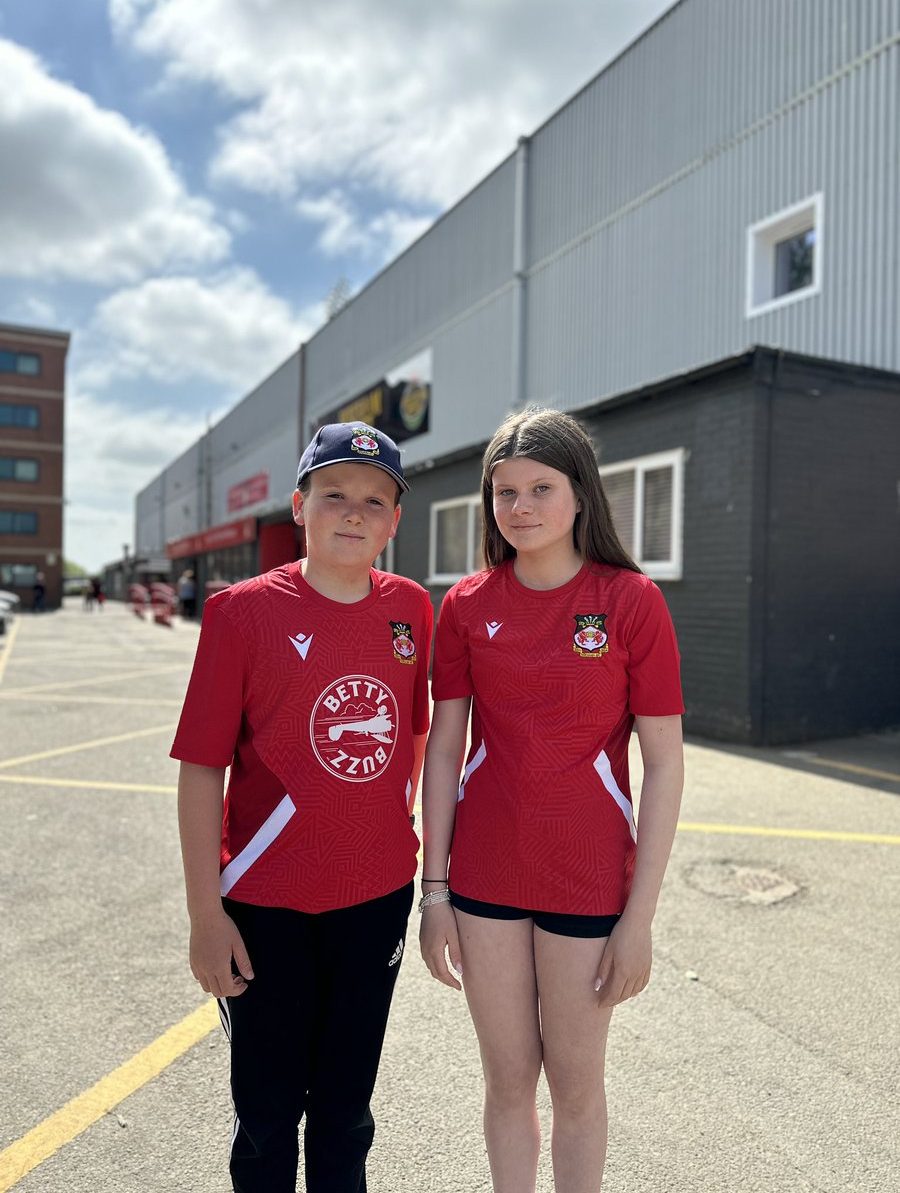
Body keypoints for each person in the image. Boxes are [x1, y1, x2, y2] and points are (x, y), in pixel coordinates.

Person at [419, 407, 684, 1193]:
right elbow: (444, 747)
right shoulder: (465, 605)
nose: (521, 507)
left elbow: (664, 765)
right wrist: (433, 893)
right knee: (507, 1083)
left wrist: (639, 919)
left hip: (589, 882)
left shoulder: (631, 602)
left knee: (575, 1088)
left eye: (541, 487)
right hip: (484, 883)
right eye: (504, 492)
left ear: (579, 497)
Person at [171, 422, 432, 1193]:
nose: (354, 513)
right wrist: (204, 915)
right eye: (335, 495)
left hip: (376, 900)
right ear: (299, 506)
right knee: (266, 1111)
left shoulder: (412, 609)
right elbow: (199, 771)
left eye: (374, 501)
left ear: (393, 521)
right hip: (263, 905)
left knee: (347, 1113)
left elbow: (412, 734)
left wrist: (390, 830)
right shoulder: (241, 613)